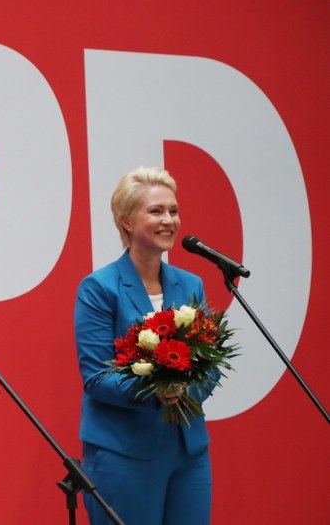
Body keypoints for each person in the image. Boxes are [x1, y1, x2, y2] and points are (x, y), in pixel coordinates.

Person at [74, 166, 214, 524]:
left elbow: (209, 361)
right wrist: (156, 390)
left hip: (188, 451)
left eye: (173, 210)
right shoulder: (99, 288)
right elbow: (96, 377)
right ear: (126, 222)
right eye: (156, 211)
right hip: (124, 453)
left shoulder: (191, 283)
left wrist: (187, 385)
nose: (169, 220)